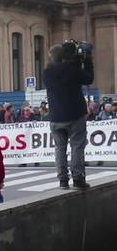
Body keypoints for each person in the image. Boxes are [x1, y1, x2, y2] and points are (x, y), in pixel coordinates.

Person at [44, 43, 94, 190]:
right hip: (75, 114)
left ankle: (63, 180)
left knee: (60, 148)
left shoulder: (47, 73)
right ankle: (78, 178)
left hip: (55, 116)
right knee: (77, 146)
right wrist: (87, 61)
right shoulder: (72, 69)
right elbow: (89, 78)